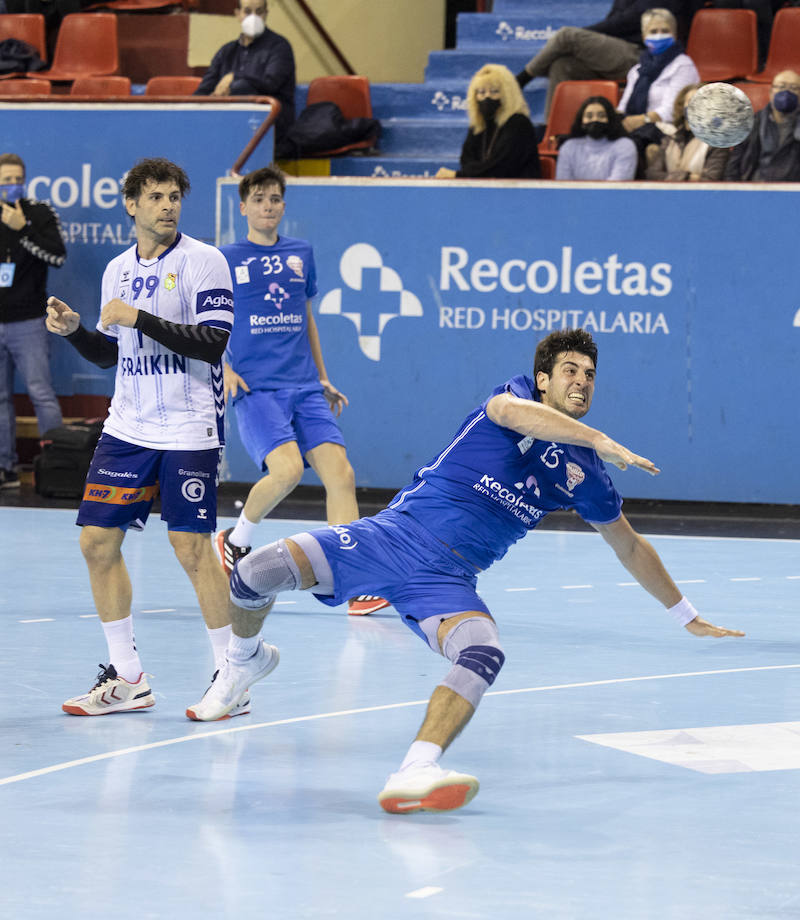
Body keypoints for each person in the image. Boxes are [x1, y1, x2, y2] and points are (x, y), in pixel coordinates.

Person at [187, 328, 744, 814]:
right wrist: (596, 436)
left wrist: (685, 613)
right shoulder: (515, 399)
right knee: (258, 570)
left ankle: (416, 768)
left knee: (484, 650)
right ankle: (243, 662)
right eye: (569, 371)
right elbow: (508, 414)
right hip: (392, 538)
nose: (582, 381)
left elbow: (629, 546)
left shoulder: (588, 474)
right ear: (542, 380)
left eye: (591, 375)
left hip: (447, 581)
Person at [45, 157, 240, 717]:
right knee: (96, 542)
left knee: (190, 546)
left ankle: (232, 674)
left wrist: (139, 318)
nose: (167, 206)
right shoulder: (115, 271)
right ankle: (129, 678)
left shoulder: (206, 261)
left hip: (188, 424)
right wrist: (76, 331)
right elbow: (112, 353)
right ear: (132, 205)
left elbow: (211, 343)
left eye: (175, 196)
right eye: (155, 197)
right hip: (127, 426)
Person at [216, 166, 390, 618]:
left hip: (305, 385)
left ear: (283, 206)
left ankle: (353, 579)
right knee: (288, 470)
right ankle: (236, 540)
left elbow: (306, 317)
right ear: (243, 207)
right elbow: (208, 320)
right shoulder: (226, 258)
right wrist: (224, 365)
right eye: (258, 199)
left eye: (275, 199)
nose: (267, 206)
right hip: (257, 388)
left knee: (342, 475)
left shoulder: (301, 252)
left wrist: (322, 376)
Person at [0, 152, 65, 489]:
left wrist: (22, 228)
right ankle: (5, 468)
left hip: (28, 321)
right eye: (5, 180)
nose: (11, 185)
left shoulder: (39, 214)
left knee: (41, 392)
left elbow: (57, 256)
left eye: (16, 180)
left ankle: (56, 467)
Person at [515, 1, 686, 122]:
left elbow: (628, 20)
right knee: (562, 66)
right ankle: (553, 130)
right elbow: (612, 21)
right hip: (616, 50)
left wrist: (584, 35)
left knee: (567, 36)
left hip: (641, 54)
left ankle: (520, 81)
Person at [195, 0, 296, 150]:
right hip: (227, 122)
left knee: (240, 87)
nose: (254, 17)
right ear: (238, 14)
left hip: (272, 124)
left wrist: (234, 78)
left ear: (266, 14)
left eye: (259, 11)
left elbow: (271, 83)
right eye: (248, 11)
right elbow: (202, 91)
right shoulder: (227, 51)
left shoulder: (279, 47)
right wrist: (213, 97)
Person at [435, 64, 540, 180]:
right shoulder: (479, 125)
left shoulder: (519, 124)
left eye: (494, 91)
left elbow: (501, 168)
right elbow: (466, 161)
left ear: (507, 94)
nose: (487, 97)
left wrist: (459, 175)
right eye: (482, 92)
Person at [724, 70, 800, 183]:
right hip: (754, 191)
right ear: (771, 92)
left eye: (793, 88)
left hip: (794, 194)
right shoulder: (751, 126)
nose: (786, 92)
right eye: (781, 86)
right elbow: (733, 168)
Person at [617, 8, 699, 140]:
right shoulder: (637, 70)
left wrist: (642, 120)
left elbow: (673, 110)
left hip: (668, 131)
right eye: (653, 31)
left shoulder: (683, 65)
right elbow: (623, 107)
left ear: (675, 35)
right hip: (638, 129)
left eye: (665, 31)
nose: (659, 35)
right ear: (644, 37)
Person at [644, 83, 729, 182]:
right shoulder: (670, 138)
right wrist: (687, 177)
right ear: (681, 106)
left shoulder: (717, 142)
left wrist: (670, 177)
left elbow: (711, 179)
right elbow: (651, 174)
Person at [555, 96, 639, 180]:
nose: (595, 119)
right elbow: (563, 185)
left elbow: (617, 187)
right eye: (589, 116)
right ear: (581, 121)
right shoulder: (569, 147)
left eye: (601, 116)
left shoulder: (625, 146)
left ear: (610, 119)